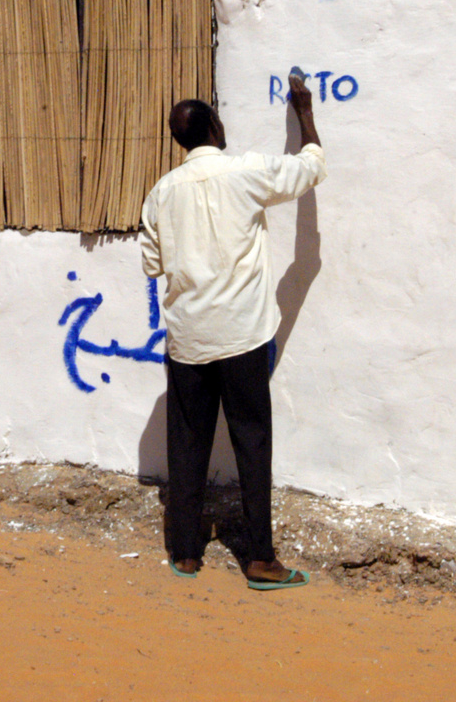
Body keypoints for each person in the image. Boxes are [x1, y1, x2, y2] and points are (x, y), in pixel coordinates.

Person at [138, 73, 325, 590]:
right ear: (217, 129)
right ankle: (260, 559)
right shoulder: (245, 172)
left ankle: (187, 553)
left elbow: (152, 265)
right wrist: (305, 112)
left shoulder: (161, 193)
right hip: (242, 335)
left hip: (189, 339)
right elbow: (310, 168)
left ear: (181, 142)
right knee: (252, 442)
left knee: (187, 442)